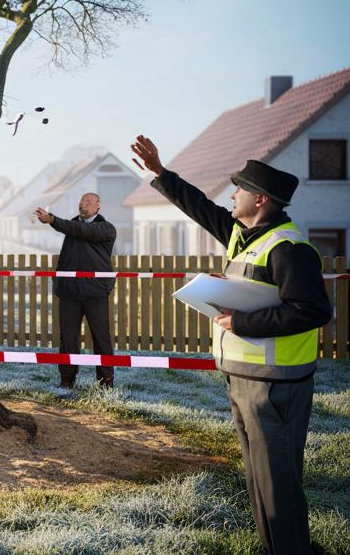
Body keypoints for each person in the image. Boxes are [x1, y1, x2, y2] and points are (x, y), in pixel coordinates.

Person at [131, 135, 333, 555]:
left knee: (277, 482)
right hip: (246, 378)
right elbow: (202, 209)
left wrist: (242, 320)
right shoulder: (246, 236)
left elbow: (313, 311)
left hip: (275, 385)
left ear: (260, 200)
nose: (233, 194)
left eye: (239, 189)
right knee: (261, 480)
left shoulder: (289, 249)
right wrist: (161, 174)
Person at [34, 193, 118, 389]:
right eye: (81, 201)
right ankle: (67, 381)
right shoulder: (72, 226)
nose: (83, 204)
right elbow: (74, 231)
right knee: (68, 339)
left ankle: (106, 383)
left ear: (98, 206)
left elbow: (82, 230)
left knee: (101, 339)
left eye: (88, 202)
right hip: (70, 293)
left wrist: (53, 220)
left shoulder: (106, 229)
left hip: (95, 293)